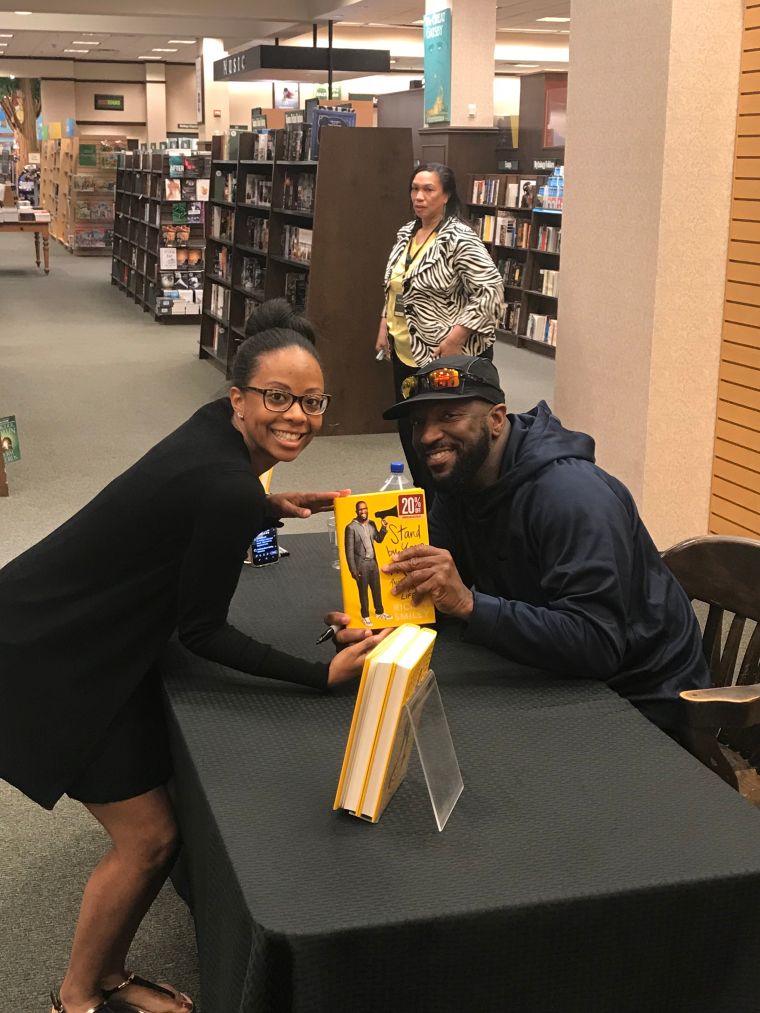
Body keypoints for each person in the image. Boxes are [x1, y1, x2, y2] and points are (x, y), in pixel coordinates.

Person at [0, 299, 385, 1013]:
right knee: (148, 840)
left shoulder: (215, 438)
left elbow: (183, 503)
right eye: (276, 397)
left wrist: (267, 506)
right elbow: (204, 630)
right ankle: (77, 998)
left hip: (62, 621)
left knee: (161, 824)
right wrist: (319, 672)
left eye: (311, 401)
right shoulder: (229, 486)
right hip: (52, 655)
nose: (295, 415)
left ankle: (109, 975)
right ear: (237, 395)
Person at [380, 354, 710, 730]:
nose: (426, 436)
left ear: (496, 419)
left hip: (641, 698)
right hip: (547, 671)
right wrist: (379, 620)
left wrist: (470, 605)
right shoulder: (460, 480)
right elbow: (433, 592)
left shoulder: (572, 497)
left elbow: (597, 645)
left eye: (449, 417)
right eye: (419, 422)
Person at [374, 163, 504, 490]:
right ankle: (425, 510)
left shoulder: (457, 237)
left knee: (443, 438)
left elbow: (491, 290)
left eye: (428, 190)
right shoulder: (407, 234)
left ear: (445, 195)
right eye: (415, 189)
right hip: (406, 351)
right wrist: (384, 324)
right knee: (413, 432)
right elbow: (396, 285)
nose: (419, 197)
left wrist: (458, 334)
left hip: (443, 355)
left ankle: (448, 510)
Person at [344, 500, 392, 625]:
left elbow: (379, 539)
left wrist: (383, 528)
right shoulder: (351, 528)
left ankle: (379, 612)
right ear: (356, 512)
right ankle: (365, 615)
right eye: (360, 509)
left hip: (373, 563)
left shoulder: (371, 523)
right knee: (363, 591)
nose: (363, 511)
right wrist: (353, 570)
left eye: (365, 509)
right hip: (361, 565)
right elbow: (348, 552)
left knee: (376, 589)